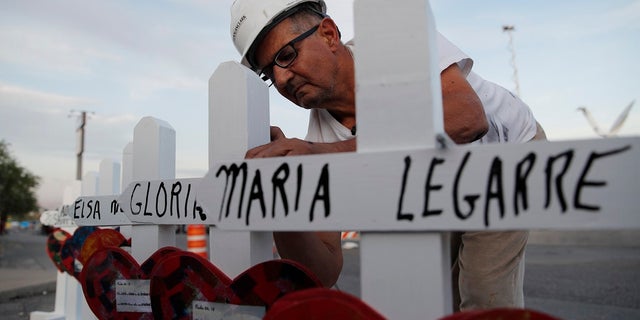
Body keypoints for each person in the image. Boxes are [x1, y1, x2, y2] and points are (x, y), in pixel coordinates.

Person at [229, 0, 547, 310]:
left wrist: (326, 154)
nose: (282, 79)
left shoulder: (395, 44)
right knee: (436, 298)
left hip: (500, 154)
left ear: (328, 34)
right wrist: (284, 195)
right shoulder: (320, 137)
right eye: (269, 73)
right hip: (437, 183)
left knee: (482, 295)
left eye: (286, 55)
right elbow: (323, 272)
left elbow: (467, 120)